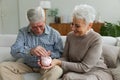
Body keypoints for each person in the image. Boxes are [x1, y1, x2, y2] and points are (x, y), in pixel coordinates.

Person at [42, 4, 113, 80]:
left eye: (77, 26)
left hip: (95, 72)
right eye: (72, 24)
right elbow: (65, 58)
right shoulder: (70, 36)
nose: (73, 28)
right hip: (76, 72)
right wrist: (50, 61)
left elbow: (85, 67)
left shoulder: (96, 39)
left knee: (70, 77)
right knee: (68, 76)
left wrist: (59, 62)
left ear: (89, 25)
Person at [0, 6, 63, 80]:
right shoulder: (23, 32)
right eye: (34, 27)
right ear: (29, 23)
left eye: (40, 26)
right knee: (2, 67)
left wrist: (50, 54)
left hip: (45, 66)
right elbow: (14, 51)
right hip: (26, 64)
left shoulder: (54, 34)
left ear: (44, 20)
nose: (38, 30)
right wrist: (30, 51)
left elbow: (60, 53)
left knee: (57, 70)